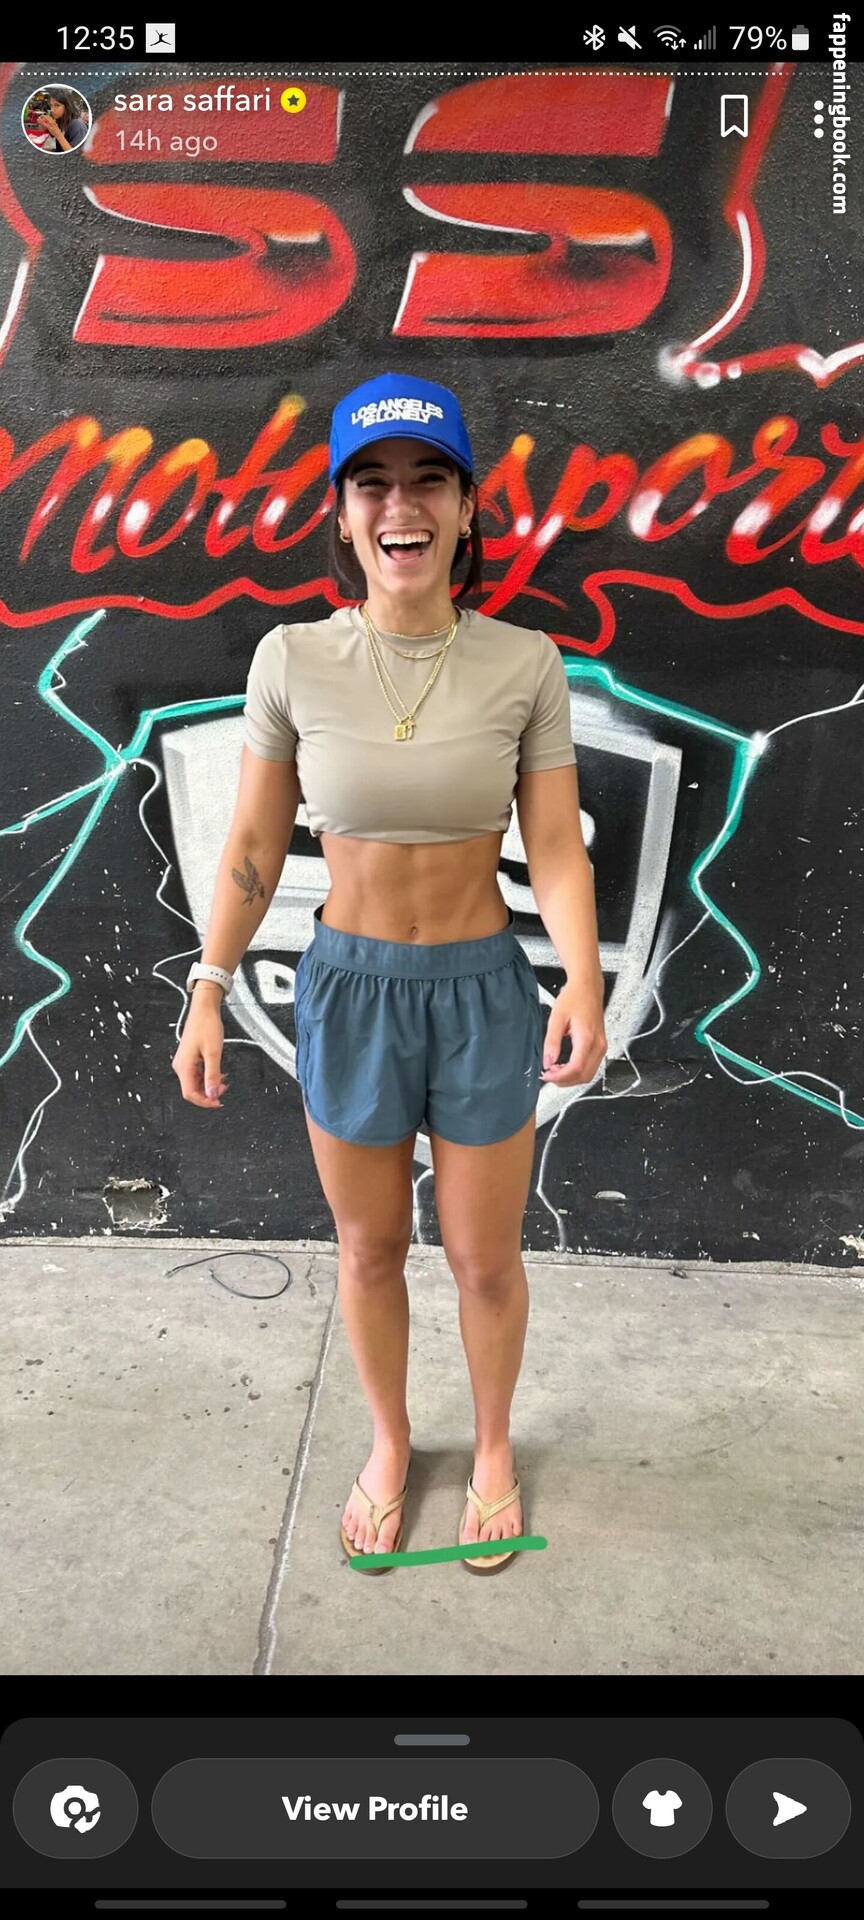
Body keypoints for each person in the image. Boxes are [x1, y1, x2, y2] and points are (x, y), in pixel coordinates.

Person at [172, 372, 607, 1575]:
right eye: (372, 483)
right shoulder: (292, 659)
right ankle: (389, 1441)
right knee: (368, 1251)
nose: (399, 506)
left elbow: (555, 845)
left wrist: (582, 979)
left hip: (482, 993)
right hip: (349, 990)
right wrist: (208, 984)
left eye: (427, 481)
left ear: (465, 510)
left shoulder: (524, 662)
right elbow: (254, 845)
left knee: (483, 1257)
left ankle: (496, 1449)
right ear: (342, 511)